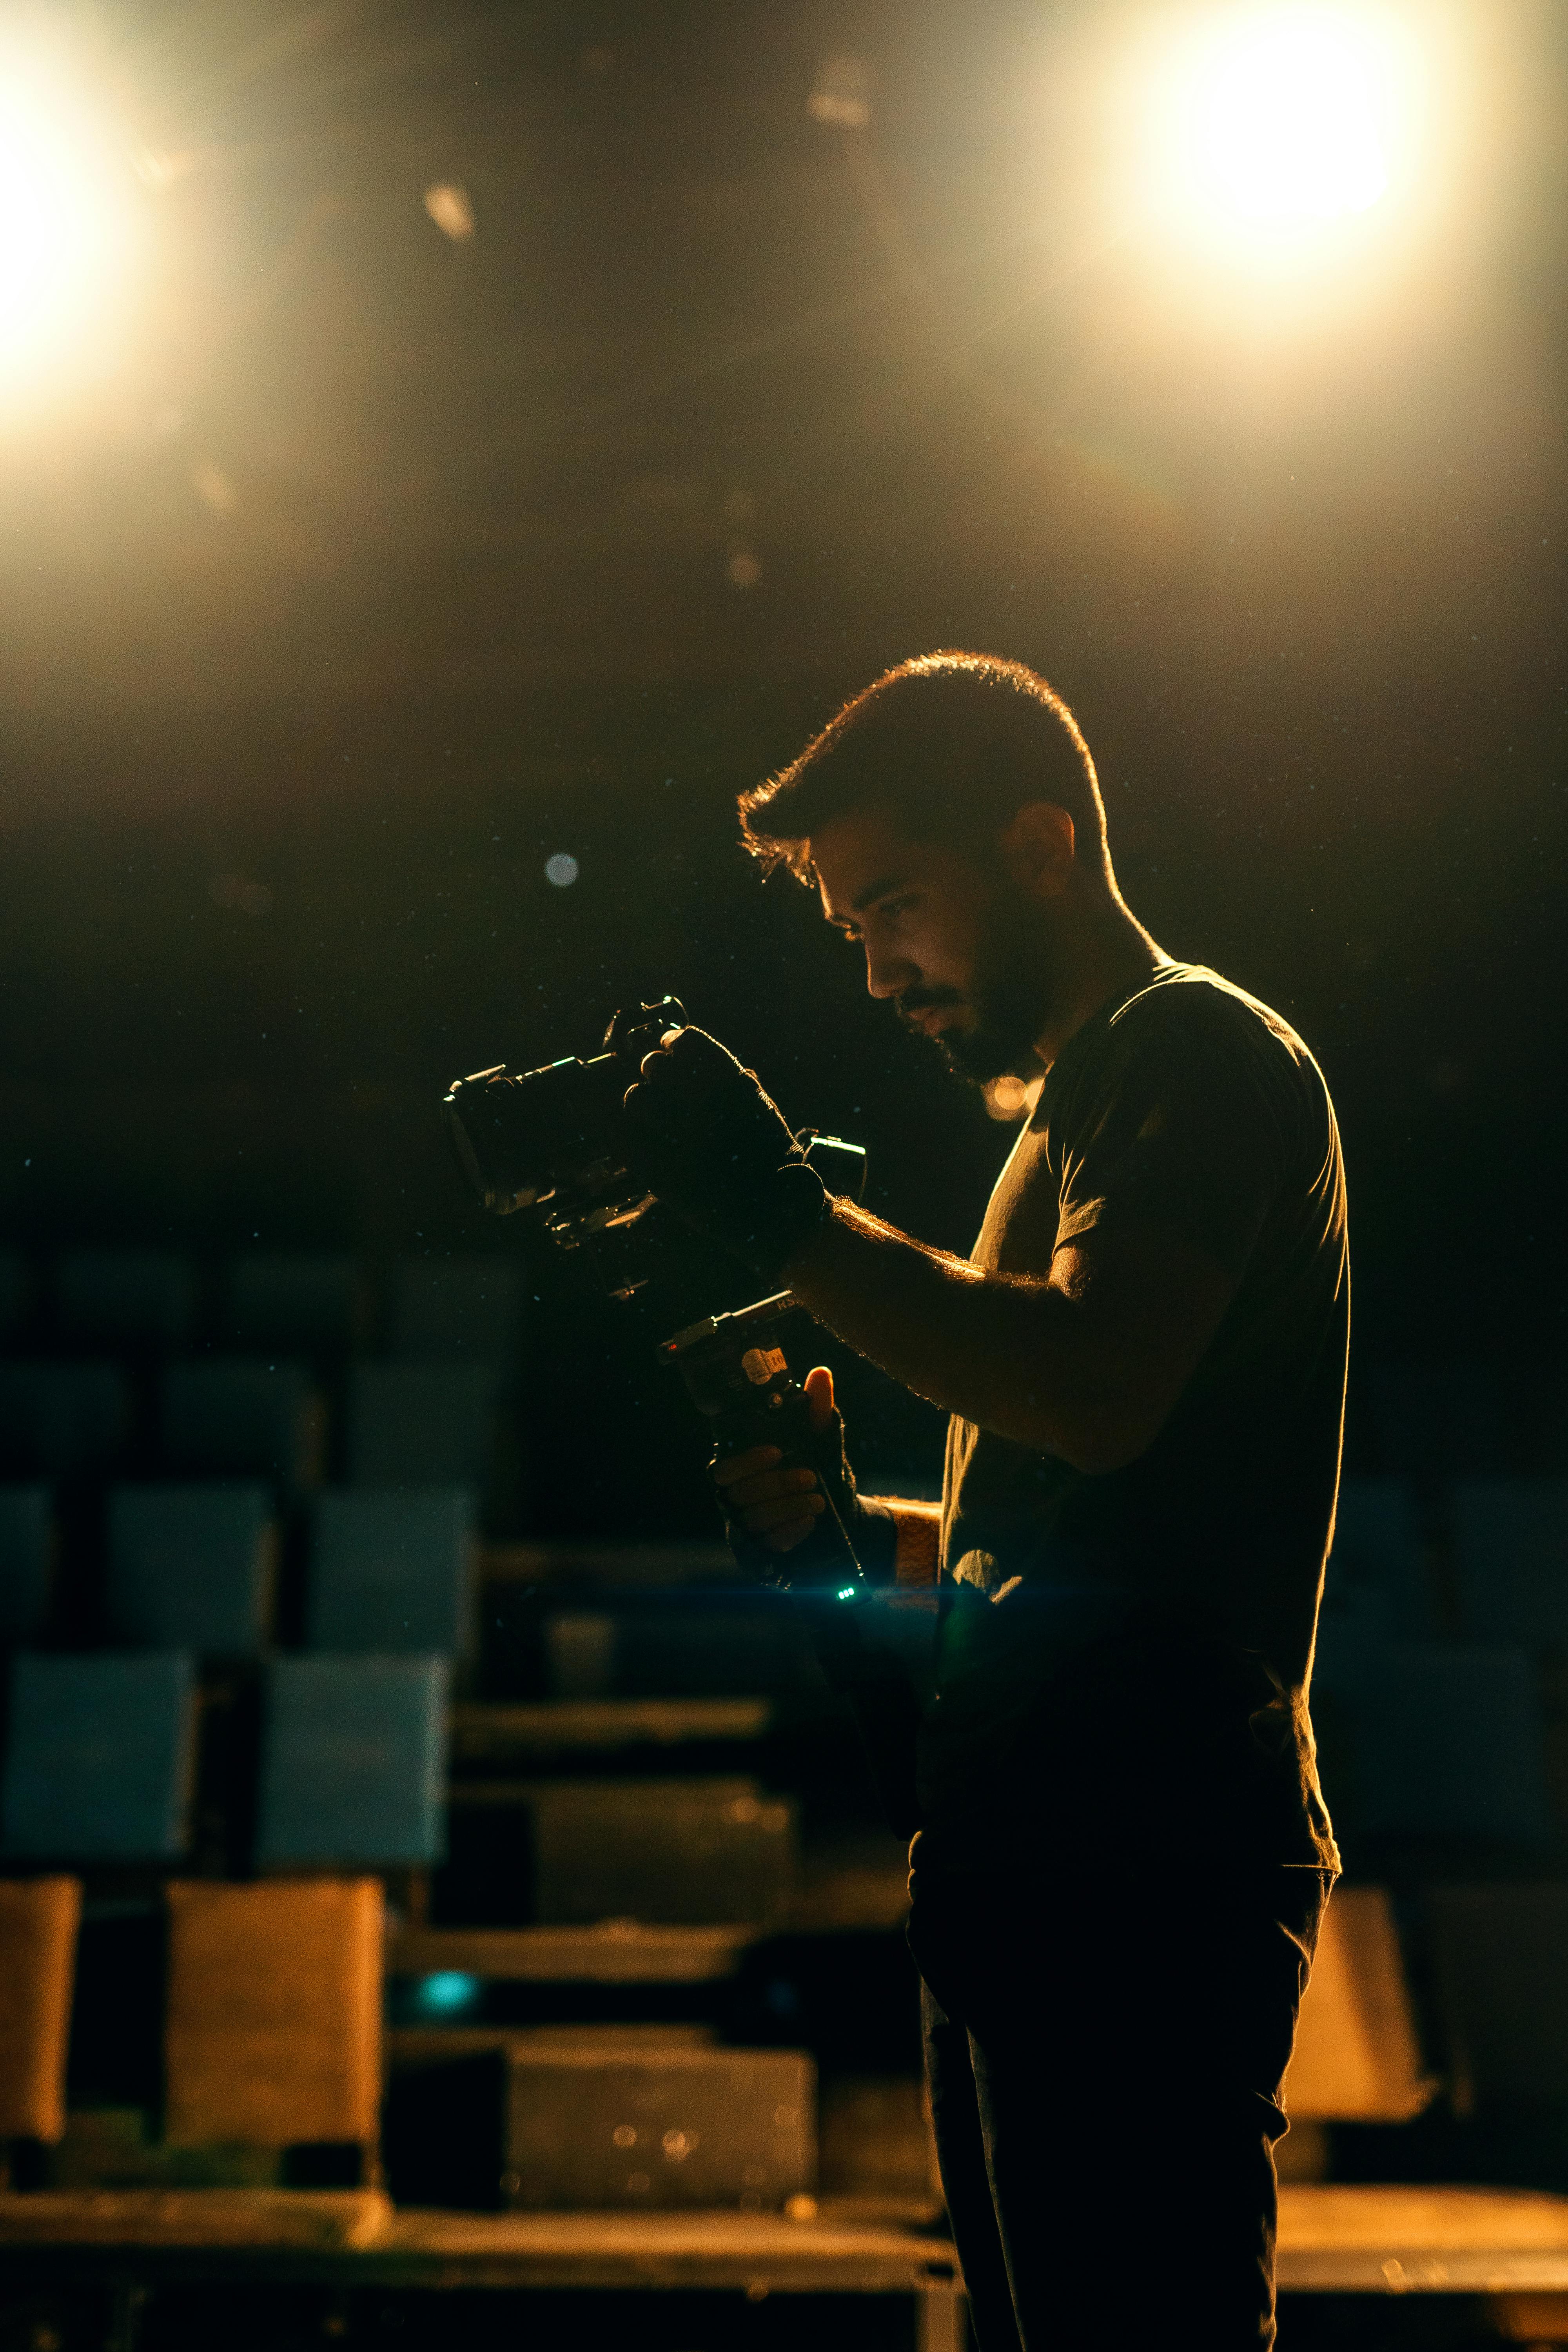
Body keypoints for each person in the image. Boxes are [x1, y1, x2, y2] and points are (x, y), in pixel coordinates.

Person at [621, 651, 1347, 2352]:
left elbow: (1092, 1389)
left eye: (895, 908)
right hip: (1052, 1841)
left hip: (1141, 1840)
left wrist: (786, 1219)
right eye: (850, 931)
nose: (878, 974)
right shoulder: (1067, 1118)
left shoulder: (1197, 1050)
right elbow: (1058, 1540)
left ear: (1038, 843)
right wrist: (841, 1540)